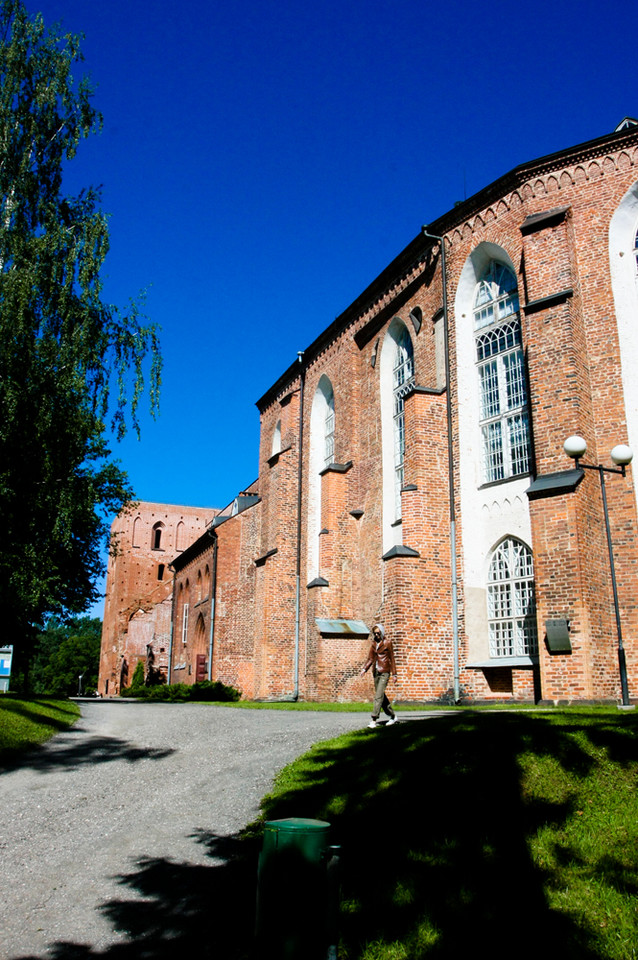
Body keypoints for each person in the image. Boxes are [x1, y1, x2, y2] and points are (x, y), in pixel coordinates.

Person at [359, 623, 398, 728]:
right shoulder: (373, 644)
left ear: (382, 632)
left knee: (378, 696)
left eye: (378, 633)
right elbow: (370, 659)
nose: (376, 635)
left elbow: (392, 659)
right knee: (381, 696)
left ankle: (374, 719)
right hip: (376, 672)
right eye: (374, 633)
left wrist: (394, 674)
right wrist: (364, 669)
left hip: (385, 671)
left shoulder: (387, 643)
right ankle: (393, 716)